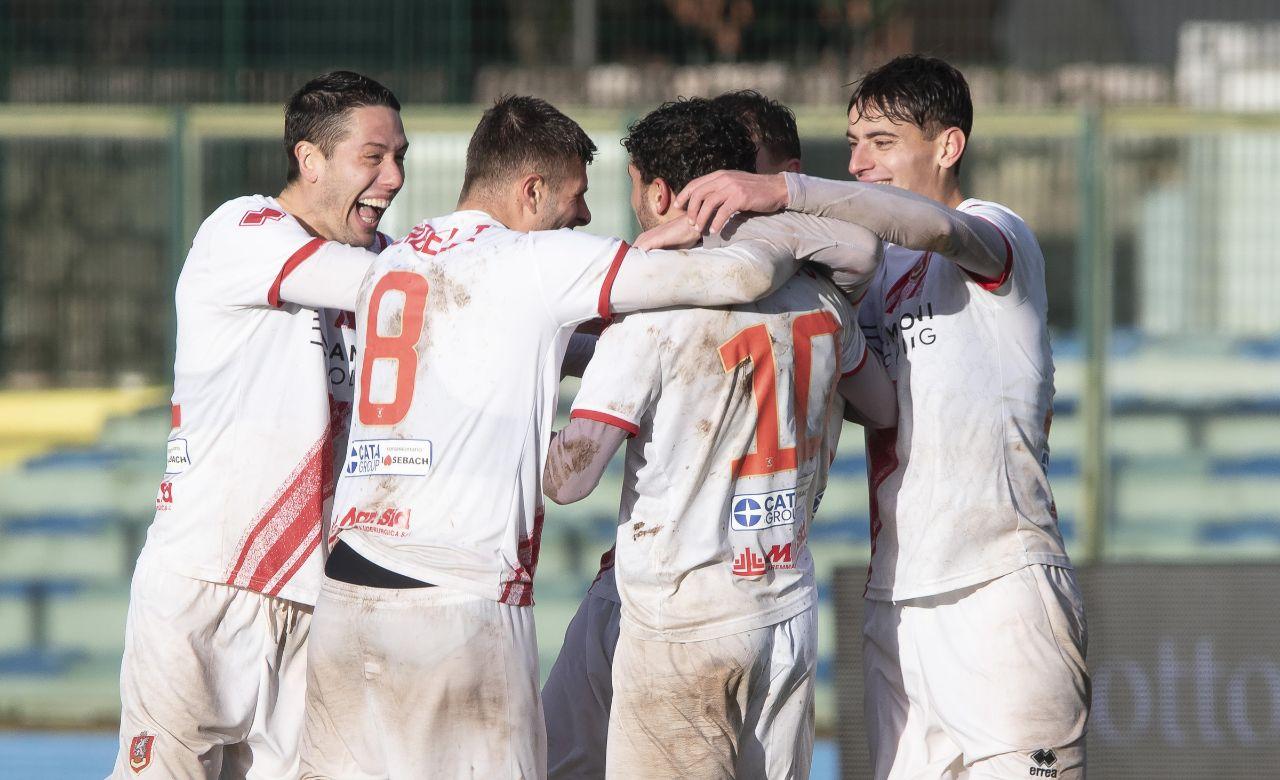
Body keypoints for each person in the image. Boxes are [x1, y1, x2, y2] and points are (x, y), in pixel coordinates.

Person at [297, 94, 882, 780]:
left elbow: (540, 366)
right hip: (463, 599)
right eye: (574, 198)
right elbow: (746, 277)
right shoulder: (536, 262)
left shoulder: (392, 264)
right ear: (532, 190)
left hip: (347, 589)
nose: (583, 217)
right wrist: (777, 233)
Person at [677, 54, 1089, 780]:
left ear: (948, 145)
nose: (861, 161)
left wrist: (784, 189)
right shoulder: (871, 276)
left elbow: (934, 229)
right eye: (854, 142)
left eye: (883, 141)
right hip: (894, 601)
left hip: (997, 590)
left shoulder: (996, 232)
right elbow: (868, 396)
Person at [542, 97, 895, 780]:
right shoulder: (819, 299)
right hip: (784, 608)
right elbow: (882, 408)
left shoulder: (652, 313)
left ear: (660, 192)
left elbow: (571, 478)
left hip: (682, 616)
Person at [110, 71, 407, 778]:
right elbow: (424, 292)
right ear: (309, 160)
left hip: (316, 602)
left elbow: (480, 315)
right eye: (373, 156)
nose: (393, 177)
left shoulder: (389, 262)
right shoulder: (243, 231)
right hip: (205, 589)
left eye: (400, 156)